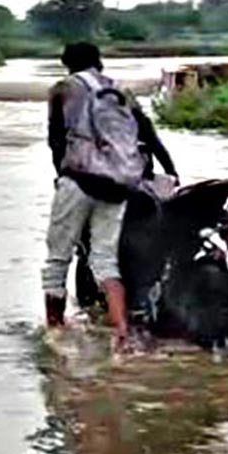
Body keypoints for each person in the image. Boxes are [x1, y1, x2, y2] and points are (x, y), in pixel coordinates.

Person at [43, 42, 152, 353]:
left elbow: (55, 139)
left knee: (58, 258)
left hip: (78, 180)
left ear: (67, 64)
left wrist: (61, 175)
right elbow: (144, 132)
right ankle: (121, 331)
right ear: (98, 62)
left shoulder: (63, 88)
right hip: (118, 182)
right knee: (105, 258)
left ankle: (55, 330)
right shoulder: (119, 90)